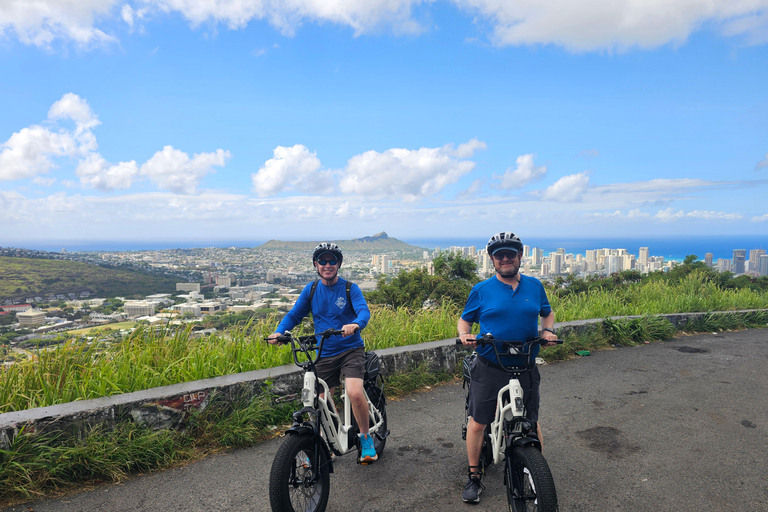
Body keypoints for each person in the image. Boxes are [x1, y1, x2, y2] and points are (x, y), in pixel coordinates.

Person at [458, 231, 558, 503]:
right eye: (499, 255)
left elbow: (547, 312)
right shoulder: (481, 290)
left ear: (520, 256)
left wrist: (548, 331)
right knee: (478, 423)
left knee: (531, 421)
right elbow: (465, 320)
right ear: (492, 259)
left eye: (510, 254)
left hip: (525, 363)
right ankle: (474, 475)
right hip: (490, 363)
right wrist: (465, 335)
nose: (505, 258)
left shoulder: (535, 286)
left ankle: (535, 473)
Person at [267, 242, 377, 463]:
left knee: (354, 392)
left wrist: (355, 324)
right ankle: (321, 445)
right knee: (320, 401)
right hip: (323, 352)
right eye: (323, 261)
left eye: (332, 260)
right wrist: (280, 332)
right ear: (316, 265)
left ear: (338, 264)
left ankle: (365, 438)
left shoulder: (350, 288)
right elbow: (294, 315)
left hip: (350, 349)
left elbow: (363, 311)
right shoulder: (311, 290)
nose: (328, 265)